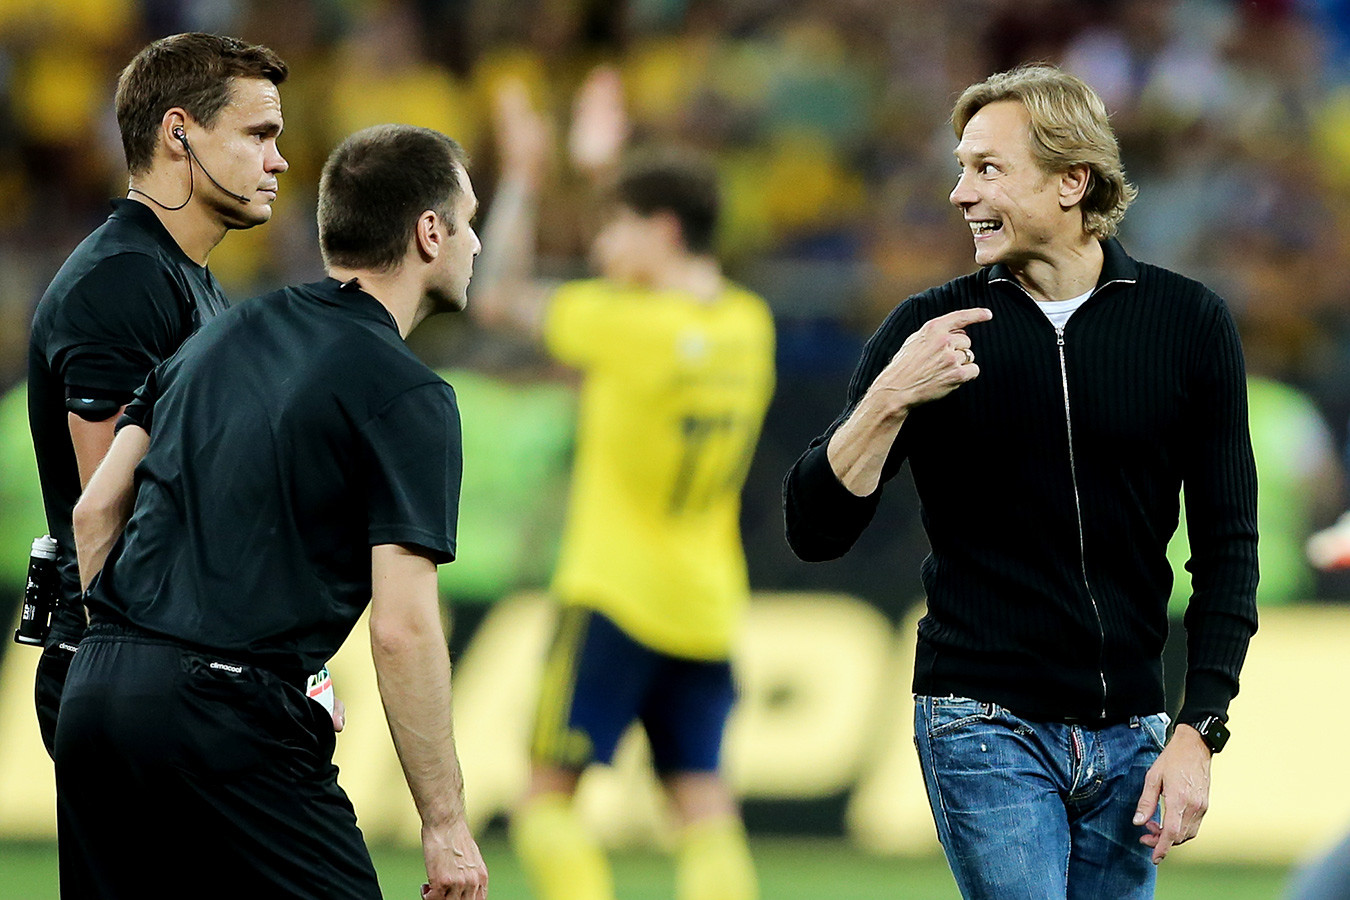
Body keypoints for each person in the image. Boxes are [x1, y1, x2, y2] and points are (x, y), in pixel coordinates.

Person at [784, 63, 1258, 899]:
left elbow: (1228, 549)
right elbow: (814, 532)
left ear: (1073, 181)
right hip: (983, 720)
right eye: (962, 168)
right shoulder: (931, 332)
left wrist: (1199, 730)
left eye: (987, 169)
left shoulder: (1188, 324)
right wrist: (890, 398)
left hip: (1134, 734)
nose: (961, 193)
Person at [55, 124, 487, 899]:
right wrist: (445, 823)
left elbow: (95, 513)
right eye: (469, 220)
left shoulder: (218, 333)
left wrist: (127, 654)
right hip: (229, 716)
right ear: (430, 232)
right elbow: (403, 627)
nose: (477, 244)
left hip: (99, 694)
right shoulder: (408, 392)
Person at [471, 69, 772, 900]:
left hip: (610, 592)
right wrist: (608, 172)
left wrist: (529, 176)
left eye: (616, 228)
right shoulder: (749, 325)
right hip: (707, 602)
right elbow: (645, 268)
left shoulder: (624, 326)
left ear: (663, 230)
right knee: (704, 808)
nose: (602, 246)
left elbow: (493, 295)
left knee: (545, 807)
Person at [25, 32, 294, 756]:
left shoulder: (188, 281)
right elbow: (113, 515)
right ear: (180, 132)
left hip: (179, 661)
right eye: (258, 134)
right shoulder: (123, 281)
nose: (279, 161)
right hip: (142, 671)